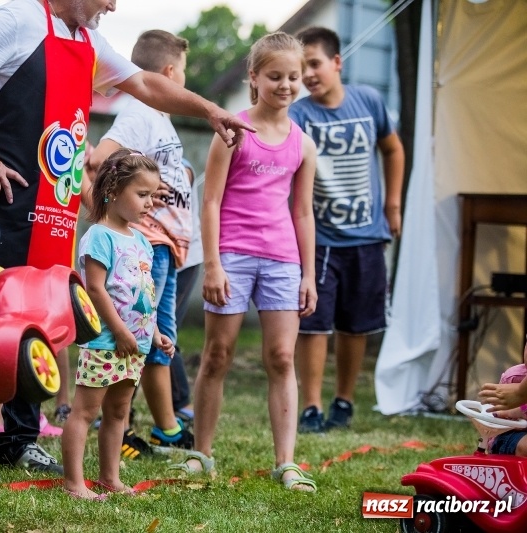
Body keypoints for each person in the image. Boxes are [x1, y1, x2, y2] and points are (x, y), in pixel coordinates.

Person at [0, 0, 252, 481]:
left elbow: (145, 84)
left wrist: (209, 110)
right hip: (6, 198)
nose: (113, 5)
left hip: (55, 211)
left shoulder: (89, 41)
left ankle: (19, 440)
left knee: (38, 325)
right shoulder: (16, 20)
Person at [171, 33, 318, 493]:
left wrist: (309, 275)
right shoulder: (231, 131)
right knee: (217, 355)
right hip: (232, 254)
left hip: (282, 260)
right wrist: (212, 265)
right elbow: (209, 201)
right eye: (275, 76)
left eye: (293, 77)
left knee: (281, 357)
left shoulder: (304, 145)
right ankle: (202, 454)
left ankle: (287, 463)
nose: (286, 85)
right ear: (254, 77)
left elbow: (302, 212)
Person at [290, 26, 404, 434]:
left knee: (356, 324)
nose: (309, 74)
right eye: (302, 68)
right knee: (314, 323)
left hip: (368, 236)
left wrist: (392, 205)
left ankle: (344, 401)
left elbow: (392, 148)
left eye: (315, 64)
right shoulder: (299, 114)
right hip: (320, 239)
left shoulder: (369, 100)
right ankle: (312, 406)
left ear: (337, 62)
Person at [87, 29, 195, 455]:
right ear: (169, 73)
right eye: (182, 73)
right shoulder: (141, 114)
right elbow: (99, 160)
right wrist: (133, 199)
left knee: (155, 335)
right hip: (147, 243)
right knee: (151, 333)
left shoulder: (159, 119)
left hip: (164, 244)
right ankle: (159, 428)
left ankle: (138, 423)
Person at [62, 148, 174, 499]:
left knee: (119, 412)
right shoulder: (99, 236)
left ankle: (110, 478)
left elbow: (144, 293)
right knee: (86, 411)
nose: (149, 203)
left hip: (135, 345)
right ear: (111, 190)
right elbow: (94, 288)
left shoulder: (142, 240)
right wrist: (122, 332)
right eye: (142, 195)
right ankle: (74, 483)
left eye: (152, 196)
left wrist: (153, 334)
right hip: (105, 342)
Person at [170, 158, 201, 427]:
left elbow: (186, 174)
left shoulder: (181, 167)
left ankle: (182, 405)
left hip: (184, 259)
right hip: (152, 255)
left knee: (165, 332)